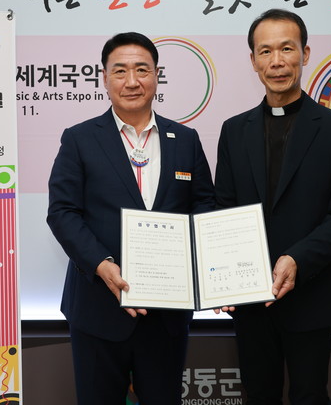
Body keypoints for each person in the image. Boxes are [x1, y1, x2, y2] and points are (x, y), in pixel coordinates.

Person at [47, 31, 215, 405]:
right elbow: (62, 212)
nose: (132, 81)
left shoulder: (185, 139)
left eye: (142, 69)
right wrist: (101, 264)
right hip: (98, 308)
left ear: (157, 75)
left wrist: (207, 267)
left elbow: (204, 206)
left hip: (167, 312)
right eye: (120, 71)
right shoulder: (79, 139)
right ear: (104, 78)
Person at [214, 9, 331, 404]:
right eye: (265, 51)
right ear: (253, 61)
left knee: (310, 395)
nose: (277, 61)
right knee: (258, 395)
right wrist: (221, 275)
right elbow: (223, 209)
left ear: (305, 53)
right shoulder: (234, 130)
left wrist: (298, 259)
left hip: (311, 296)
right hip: (249, 298)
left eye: (287, 48)